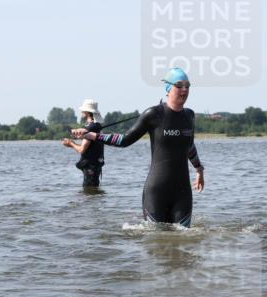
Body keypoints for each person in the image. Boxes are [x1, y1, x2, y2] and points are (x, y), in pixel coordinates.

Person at [71, 68, 205, 226]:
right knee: (155, 242)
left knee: (184, 243)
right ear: (168, 88)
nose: (184, 90)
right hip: (156, 192)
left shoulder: (189, 115)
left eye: (187, 86)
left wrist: (199, 169)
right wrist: (91, 135)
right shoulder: (153, 114)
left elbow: (188, 145)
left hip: (183, 193)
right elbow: (125, 139)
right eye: (179, 85)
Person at [62, 99, 104, 187]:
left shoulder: (91, 128)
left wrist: (70, 143)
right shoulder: (97, 126)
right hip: (96, 164)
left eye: (83, 109)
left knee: (88, 192)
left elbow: (82, 150)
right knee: (93, 191)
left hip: (91, 166)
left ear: (87, 112)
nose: (81, 111)